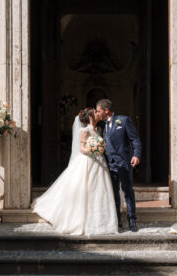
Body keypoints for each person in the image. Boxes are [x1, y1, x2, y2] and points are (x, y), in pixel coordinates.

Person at [33, 108, 118, 235]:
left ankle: (102, 221)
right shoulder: (84, 131)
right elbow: (81, 148)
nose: (97, 113)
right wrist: (93, 151)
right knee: (85, 188)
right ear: (90, 117)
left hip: (100, 162)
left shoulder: (99, 130)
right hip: (88, 161)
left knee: (99, 189)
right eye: (95, 112)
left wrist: (99, 150)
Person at [95, 99, 142, 232]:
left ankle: (132, 220)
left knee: (127, 191)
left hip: (123, 162)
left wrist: (136, 155)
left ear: (106, 111)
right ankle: (117, 220)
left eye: (99, 111)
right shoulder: (101, 125)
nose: (97, 113)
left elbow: (135, 139)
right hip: (109, 164)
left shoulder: (124, 120)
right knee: (113, 192)